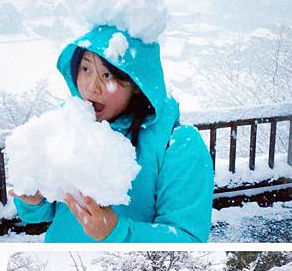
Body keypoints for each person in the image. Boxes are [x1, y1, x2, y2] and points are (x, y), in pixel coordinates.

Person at [11, 24, 214, 242]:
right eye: (85, 69)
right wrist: (34, 200)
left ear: (137, 83)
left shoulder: (179, 144)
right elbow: (44, 212)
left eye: (107, 75)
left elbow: (189, 239)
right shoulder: (68, 122)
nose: (91, 87)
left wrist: (116, 232)